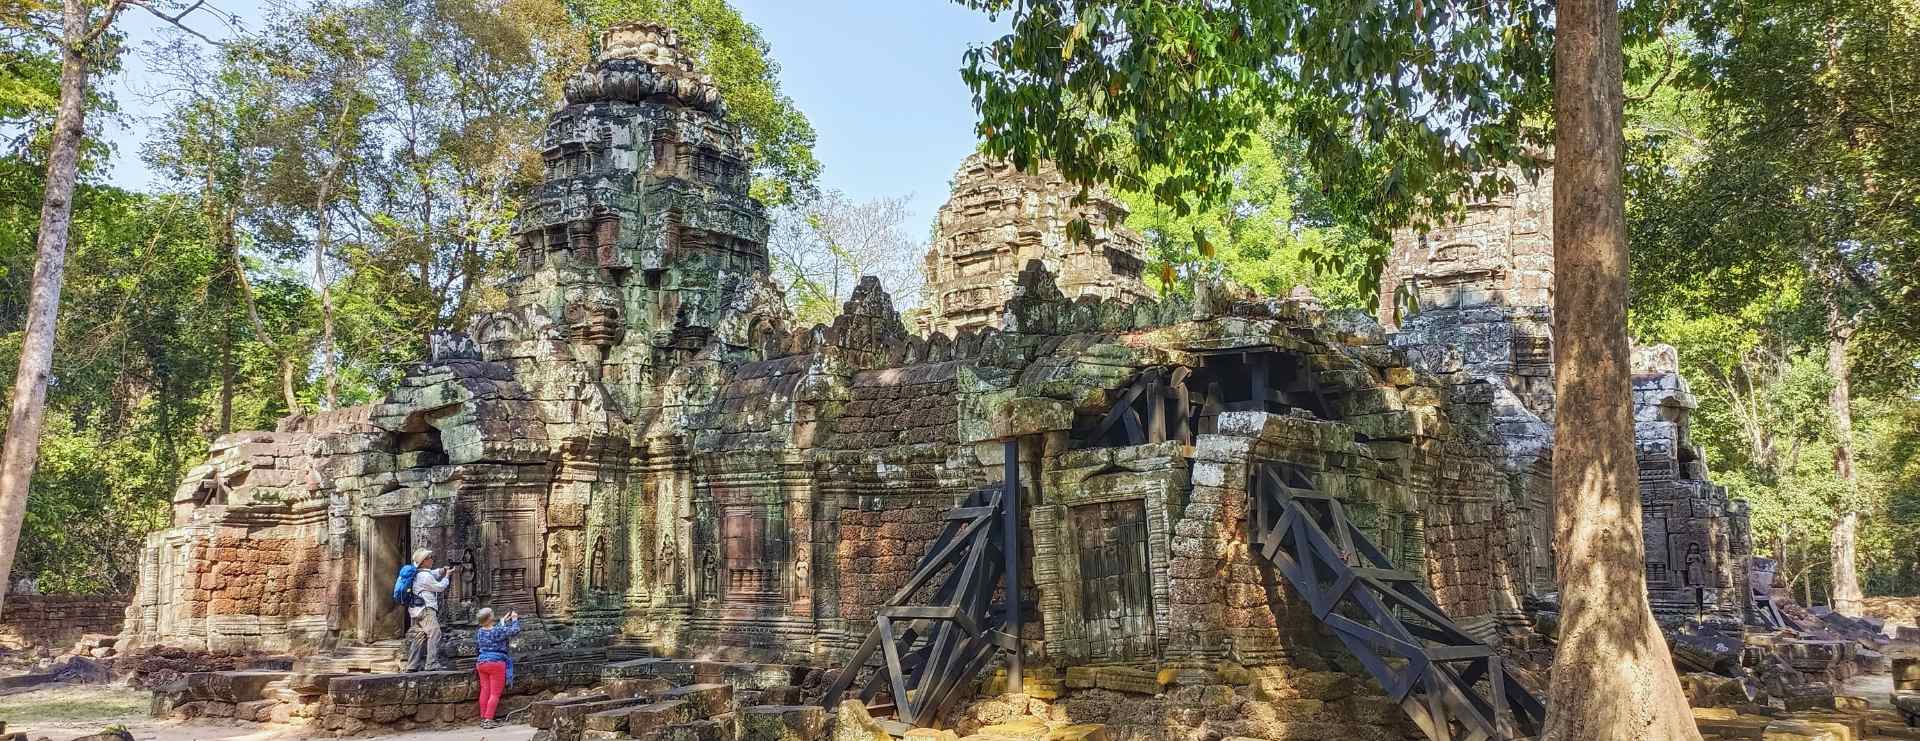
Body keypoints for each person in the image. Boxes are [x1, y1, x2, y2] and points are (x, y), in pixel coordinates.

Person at [403, 548, 455, 672]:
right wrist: (447, 576)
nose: (432, 560)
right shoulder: (424, 576)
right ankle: (431, 663)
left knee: (420, 636)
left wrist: (442, 570)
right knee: (435, 633)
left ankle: (412, 665)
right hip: (426, 609)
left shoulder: (420, 573)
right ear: (424, 561)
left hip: (417, 610)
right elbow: (440, 587)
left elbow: (433, 573)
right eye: (430, 558)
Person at [473, 607, 521, 729]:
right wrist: (515, 619)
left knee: (485, 691)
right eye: (492, 614)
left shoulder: (480, 631)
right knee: (494, 693)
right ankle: (489, 719)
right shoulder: (498, 631)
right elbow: (515, 630)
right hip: (496, 663)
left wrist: (503, 621)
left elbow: (495, 630)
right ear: (489, 618)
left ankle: (483, 718)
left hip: (482, 663)